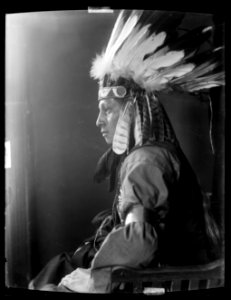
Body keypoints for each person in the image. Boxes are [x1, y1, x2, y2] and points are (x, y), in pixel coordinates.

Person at [29, 10, 224, 293]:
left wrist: (92, 280)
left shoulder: (146, 161)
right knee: (58, 268)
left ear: (132, 109)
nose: (99, 121)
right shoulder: (152, 155)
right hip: (151, 274)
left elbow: (137, 240)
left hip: (150, 281)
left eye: (107, 110)